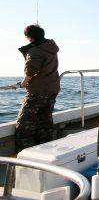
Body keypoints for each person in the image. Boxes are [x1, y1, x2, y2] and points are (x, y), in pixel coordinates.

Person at [15, 24, 60, 152]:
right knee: (44, 122)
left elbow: (30, 70)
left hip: (38, 90)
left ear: (29, 37)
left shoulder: (35, 50)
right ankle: (46, 151)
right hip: (53, 89)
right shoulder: (50, 48)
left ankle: (26, 155)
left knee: (24, 125)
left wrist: (23, 83)